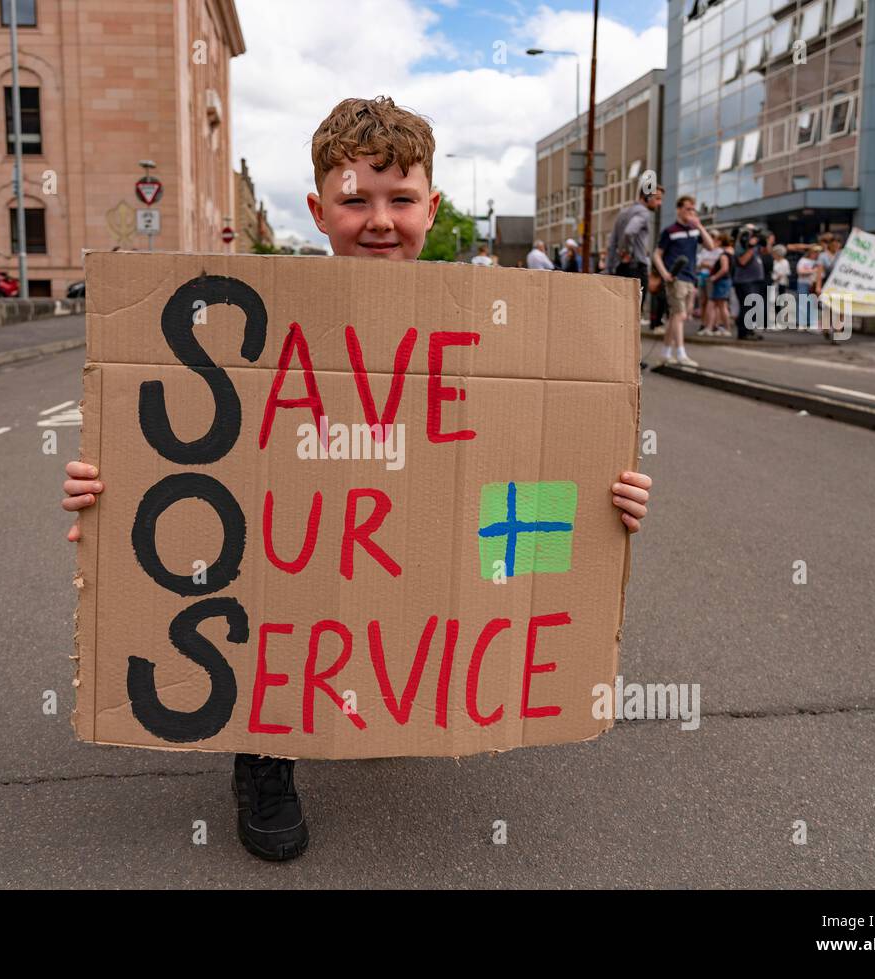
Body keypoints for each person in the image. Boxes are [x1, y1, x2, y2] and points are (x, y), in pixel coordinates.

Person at [60, 95, 654, 863]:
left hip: (387, 540)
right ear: (317, 209)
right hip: (295, 542)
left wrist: (608, 504)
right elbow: (173, 456)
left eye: (401, 199)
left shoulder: (485, 327)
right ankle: (264, 757)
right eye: (355, 200)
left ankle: (376, 701)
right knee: (279, 595)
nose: (380, 219)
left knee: (397, 578)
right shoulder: (275, 317)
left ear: (431, 207)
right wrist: (108, 493)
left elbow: (523, 464)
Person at [653, 194, 716, 366]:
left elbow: (711, 246)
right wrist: (664, 273)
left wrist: (700, 225)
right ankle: (681, 353)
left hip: (690, 277)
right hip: (676, 277)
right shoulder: (670, 231)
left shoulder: (695, 230)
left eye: (693, 209)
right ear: (679, 209)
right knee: (680, 315)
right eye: (688, 209)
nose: (690, 212)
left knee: (676, 316)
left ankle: (666, 352)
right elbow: (657, 255)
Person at [607, 186, 664, 331]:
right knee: (633, 315)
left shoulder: (623, 213)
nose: (660, 203)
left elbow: (612, 242)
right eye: (657, 199)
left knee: (618, 314)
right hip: (635, 268)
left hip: (620, 268)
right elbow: (629, 232)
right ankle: (627, 352)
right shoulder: (643, 213)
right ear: (646, 198)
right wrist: (627, 252)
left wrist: (611, 267)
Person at [732, 224, 768, 341]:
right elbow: (742, 261)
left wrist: (762, 242)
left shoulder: (754, 245)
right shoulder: (740, 245)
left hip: (755, 280)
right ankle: (743, 332)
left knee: (753, 306)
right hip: (745, 281)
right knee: (747, 306)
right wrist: (751, 246)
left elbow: (767, 251)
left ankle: (749, 330)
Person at [698, 231, 733, 337]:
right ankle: (713, 327)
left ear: (721, 241)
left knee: (719, 305)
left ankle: (724, 328)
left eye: (717, 240)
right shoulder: (728, 252)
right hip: (722, 281)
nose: (714, 242)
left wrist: (714, 277)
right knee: (717, 304)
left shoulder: (724, 254)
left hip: (721, 281)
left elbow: (724, 269)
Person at [795, 244, 821, 330]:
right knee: (803, 303)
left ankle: (811, 323)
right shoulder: (803, 260)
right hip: (803, 283)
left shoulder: (818, 262)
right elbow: (800, 271)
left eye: (818, 252)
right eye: (815, 252)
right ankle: (801, 323)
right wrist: (812, 271)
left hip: (813, 285)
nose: (816, 254)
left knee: (812, 304)